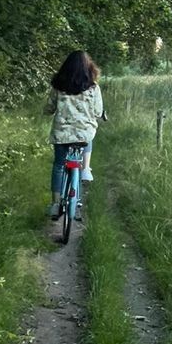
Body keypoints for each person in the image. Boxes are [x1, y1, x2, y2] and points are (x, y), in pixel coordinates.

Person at [45, 50, 104, 220]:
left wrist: (49, 110)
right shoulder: (93, 87)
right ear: (89, 67)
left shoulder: (59, 86)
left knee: (58, 165)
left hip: (62, 133)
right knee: (89, 134)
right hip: (83, 134)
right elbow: (98, 112)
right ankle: (85, 168)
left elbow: (49, 108)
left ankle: (56, 204)